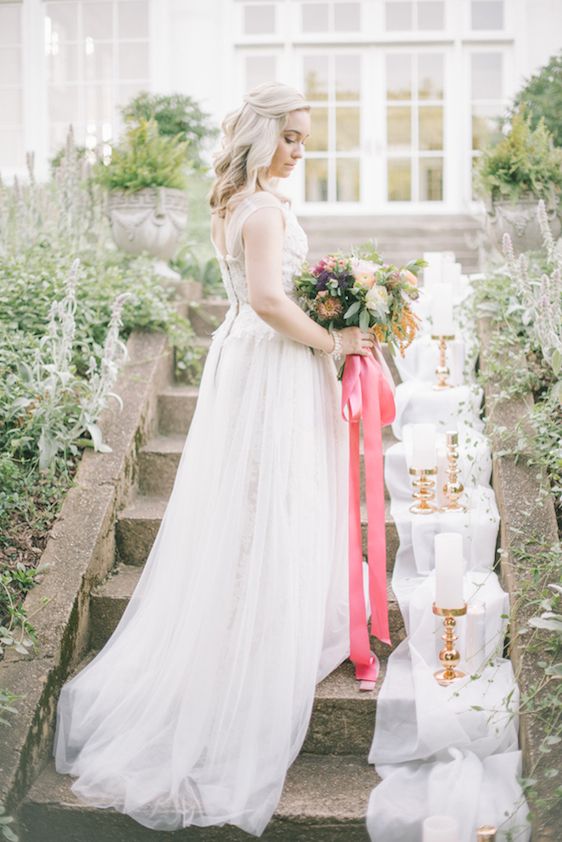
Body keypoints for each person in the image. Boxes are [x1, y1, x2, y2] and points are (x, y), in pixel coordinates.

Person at [52, 81, 378, 837]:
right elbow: (268, 298)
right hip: (269, 359)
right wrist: (336, 341)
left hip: (251, 357)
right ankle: (254, 642)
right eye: (291, 137)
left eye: (305, 138)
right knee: (272, 496)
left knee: (259, 499)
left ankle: (255, 622)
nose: (301, 150)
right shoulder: (262, 209)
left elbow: (265, 297)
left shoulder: (241, 202)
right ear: (262, 135)